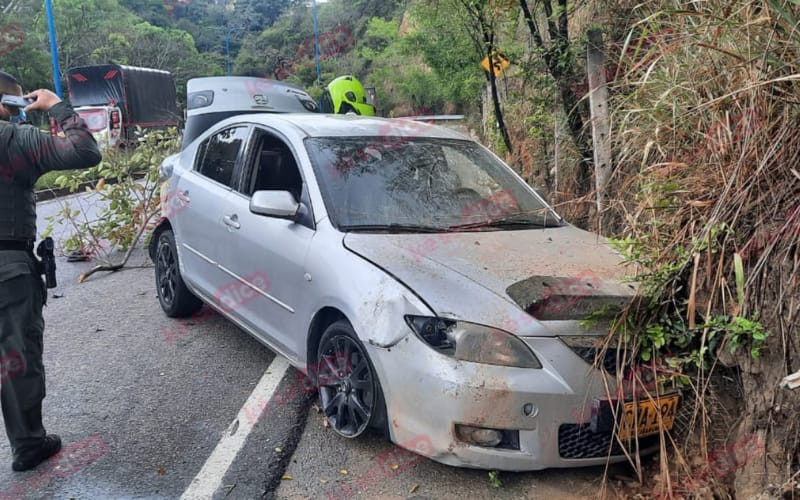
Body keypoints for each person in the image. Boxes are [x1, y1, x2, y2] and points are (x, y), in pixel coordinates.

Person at [0, 70, 102, 471]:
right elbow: (85, 151)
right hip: (8, 270)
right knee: (16, 358)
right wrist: (57, 106)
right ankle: (28, 444)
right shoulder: (14, 139)